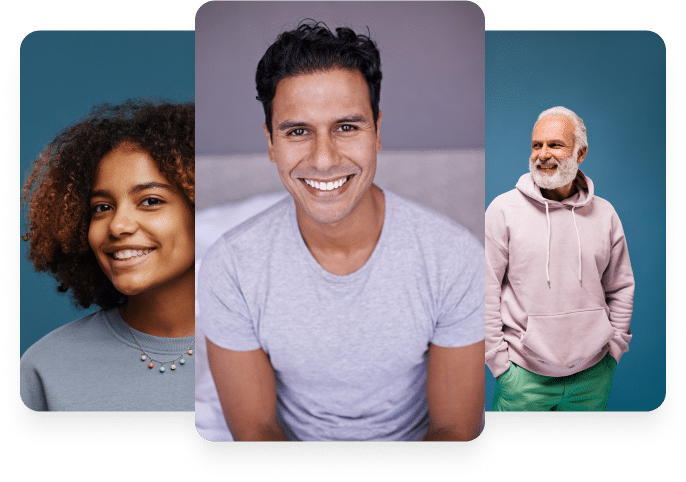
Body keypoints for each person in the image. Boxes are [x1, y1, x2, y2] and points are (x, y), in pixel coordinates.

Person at [198, 21, 485, 442]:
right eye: (298, 132)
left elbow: (454, 431)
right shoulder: (230, 266)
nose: (324, 159)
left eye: (346, 127)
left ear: (377, 132)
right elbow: (257, 431)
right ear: (271, 144)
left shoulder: (455, 258)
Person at [20, 100, 196, 412]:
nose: (117, 225)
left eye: (150, 200)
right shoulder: (45, 367)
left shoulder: (266, 341)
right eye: (102, 207)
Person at [485, 106, 635, 411]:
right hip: (523, 380)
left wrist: (614, 349)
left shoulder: (605, 214)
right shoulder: (502, 210)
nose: (542, 154)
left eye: (555, 145)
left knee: (578, 460)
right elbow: (484, 291)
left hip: (592, 378)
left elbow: (620, 287)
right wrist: (499, 363)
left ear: (580, 153)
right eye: (536, 145)